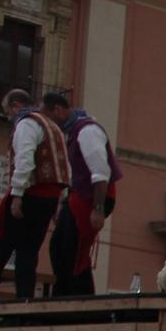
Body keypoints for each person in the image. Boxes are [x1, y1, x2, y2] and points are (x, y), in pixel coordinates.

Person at [0, 88, 68, 301]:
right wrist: (59, 201)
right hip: (50, 196)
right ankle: (24, 298)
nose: (7, 117)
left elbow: (25, 159)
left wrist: (17, 194)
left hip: (30, 192)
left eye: (7, 112)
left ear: (16, 106)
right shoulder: (53, 127)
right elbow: (62, 166)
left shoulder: (27, 123)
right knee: (28, 250)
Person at [45, 92, 120, 298]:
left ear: (58, 110)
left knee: (74, 252)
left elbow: (100, 171)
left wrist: (98, 208)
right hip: (80, 196)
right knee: (59, 247)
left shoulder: (87, 130)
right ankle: (65, 297)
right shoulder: (73, 132)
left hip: (93, 197)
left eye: (49, 118)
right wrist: (62, 202)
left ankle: (76, 302)